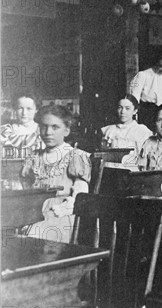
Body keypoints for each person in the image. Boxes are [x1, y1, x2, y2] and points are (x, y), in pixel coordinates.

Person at [21, 105, 91, 243]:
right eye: (44, 127)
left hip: (61, 216)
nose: (48, 132)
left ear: (66, 130)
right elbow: (26, 190)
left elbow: (81, 197)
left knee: (33, 236)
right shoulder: (34, 157)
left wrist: (62, 209)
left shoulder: (75, 156)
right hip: (34, 213)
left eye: (55, 127)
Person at [128, 52, 162, 128]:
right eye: (161, 66)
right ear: (156, 63)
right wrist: (132, 115)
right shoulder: (143, 75)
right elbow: (134, 98)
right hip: (147, 111)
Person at [100, 95, 152, 161]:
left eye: (127, 108)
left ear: (135, 111)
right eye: (120, 108)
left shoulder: (142, 130)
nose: (123, 112)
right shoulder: (109, 130)